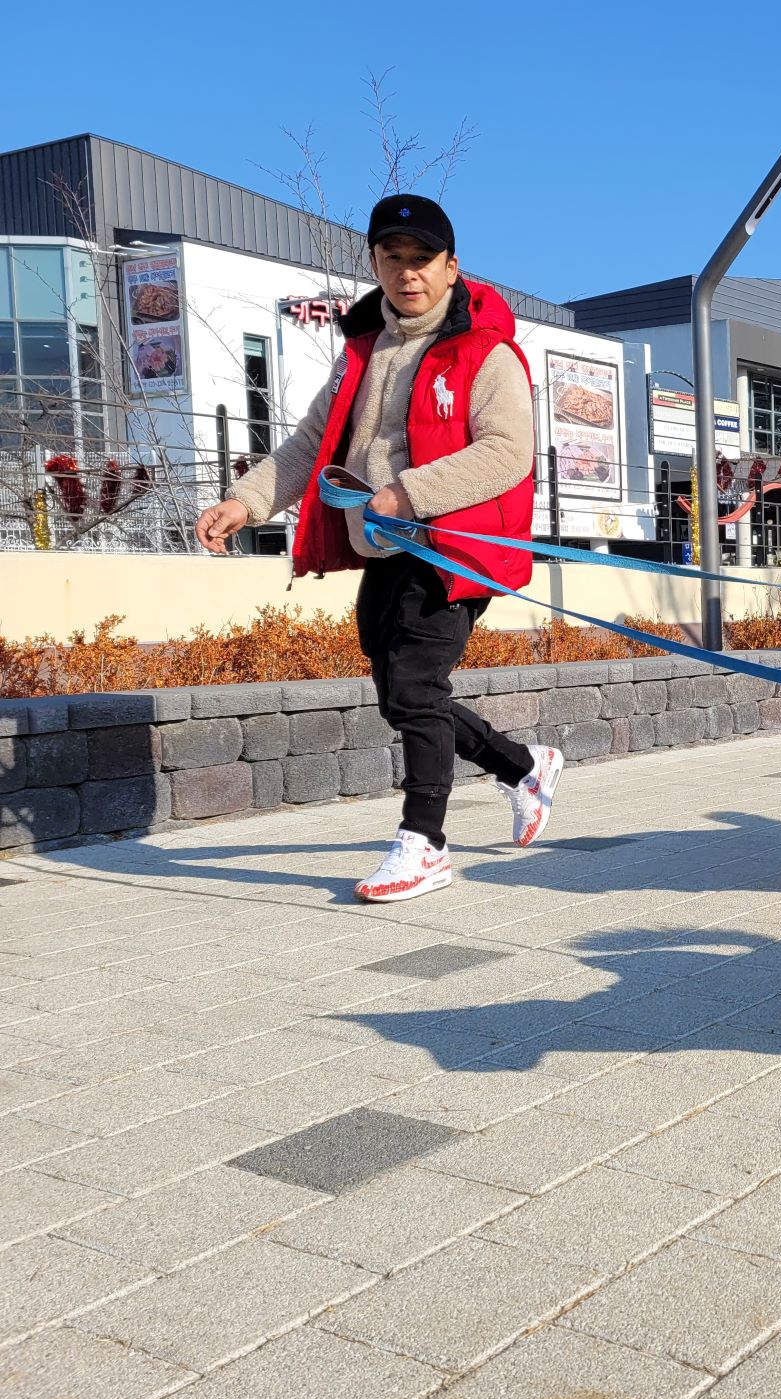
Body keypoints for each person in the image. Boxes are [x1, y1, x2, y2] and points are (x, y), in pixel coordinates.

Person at [195, 194, 560, 903]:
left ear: (451, 266)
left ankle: (424, 844)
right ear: (375, 263)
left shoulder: (486, 351)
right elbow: (311, 443)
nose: (408, 272)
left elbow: (508, 452)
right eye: (393, 257)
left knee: (416, 686)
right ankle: (523, 769)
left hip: (453, 551)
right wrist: (246, 501)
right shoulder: (362, 352)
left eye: (423, 258)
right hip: (383, 547)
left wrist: (406, 492)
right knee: (401, 695)